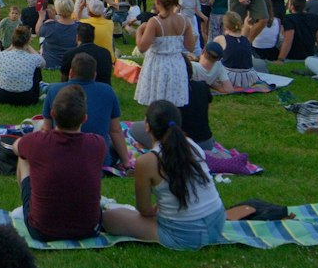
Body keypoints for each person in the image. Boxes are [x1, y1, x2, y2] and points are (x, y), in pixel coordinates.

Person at [101, 100, 243, 248]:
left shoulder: (147, 161)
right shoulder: (191, 145)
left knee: (110, 218)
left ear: (147, 126)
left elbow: (144, 211)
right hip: (217, 222)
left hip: (184, 235)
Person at [9, 85, 104, 242]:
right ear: (84, 118)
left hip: (41, 229)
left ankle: (29, 206)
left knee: (23, 158)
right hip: (89, 228)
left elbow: (16, 147)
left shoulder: (37, 142)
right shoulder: (97, 144)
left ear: (52, 114)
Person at [134, 0, 195, 109]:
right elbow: (190, 47)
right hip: (176, 63)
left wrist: (139, 31)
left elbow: (142, 47)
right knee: (173, 102)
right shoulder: (184, 20)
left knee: (156, 102)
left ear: (157, 1)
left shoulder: (155, 22)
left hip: (157, 64)